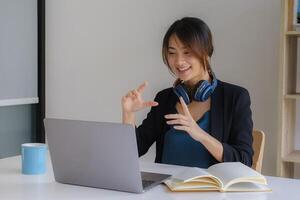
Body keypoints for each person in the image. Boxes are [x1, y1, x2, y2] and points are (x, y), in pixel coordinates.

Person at [121, 17, 253, 168]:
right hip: (165, 188)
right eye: (172, 53)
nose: (178, 61)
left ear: (206, 53)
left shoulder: (235, 97)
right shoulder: (165, 98)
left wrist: (200, 135)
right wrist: (128, 114)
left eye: (187, 52)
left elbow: (244, 161)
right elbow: (133, 151)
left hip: (211, 190)